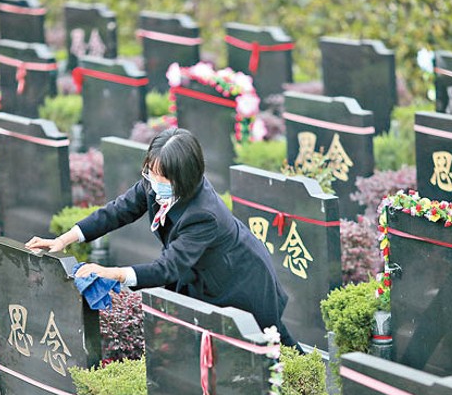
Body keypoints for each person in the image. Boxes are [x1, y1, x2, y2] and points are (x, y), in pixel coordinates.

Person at [25, 127, 298, 348]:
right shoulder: (154, 181)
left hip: (240, 280)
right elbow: (117, 211)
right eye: (150, 172)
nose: (153, 182)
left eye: (161, 177)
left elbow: (168, 268)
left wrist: (111, 273)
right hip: (202, 274)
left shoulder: (204, 214)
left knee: (272, 342)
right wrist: (64, 240)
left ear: (185, 177)